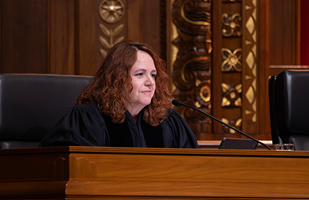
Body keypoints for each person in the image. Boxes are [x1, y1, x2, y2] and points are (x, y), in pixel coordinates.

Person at [38, 41, 199, 148]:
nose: (150, 82)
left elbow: (195, 171)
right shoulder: (87, 120)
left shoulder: (169, 122)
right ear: (117, 79)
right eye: (140, 74)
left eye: (153, 75)